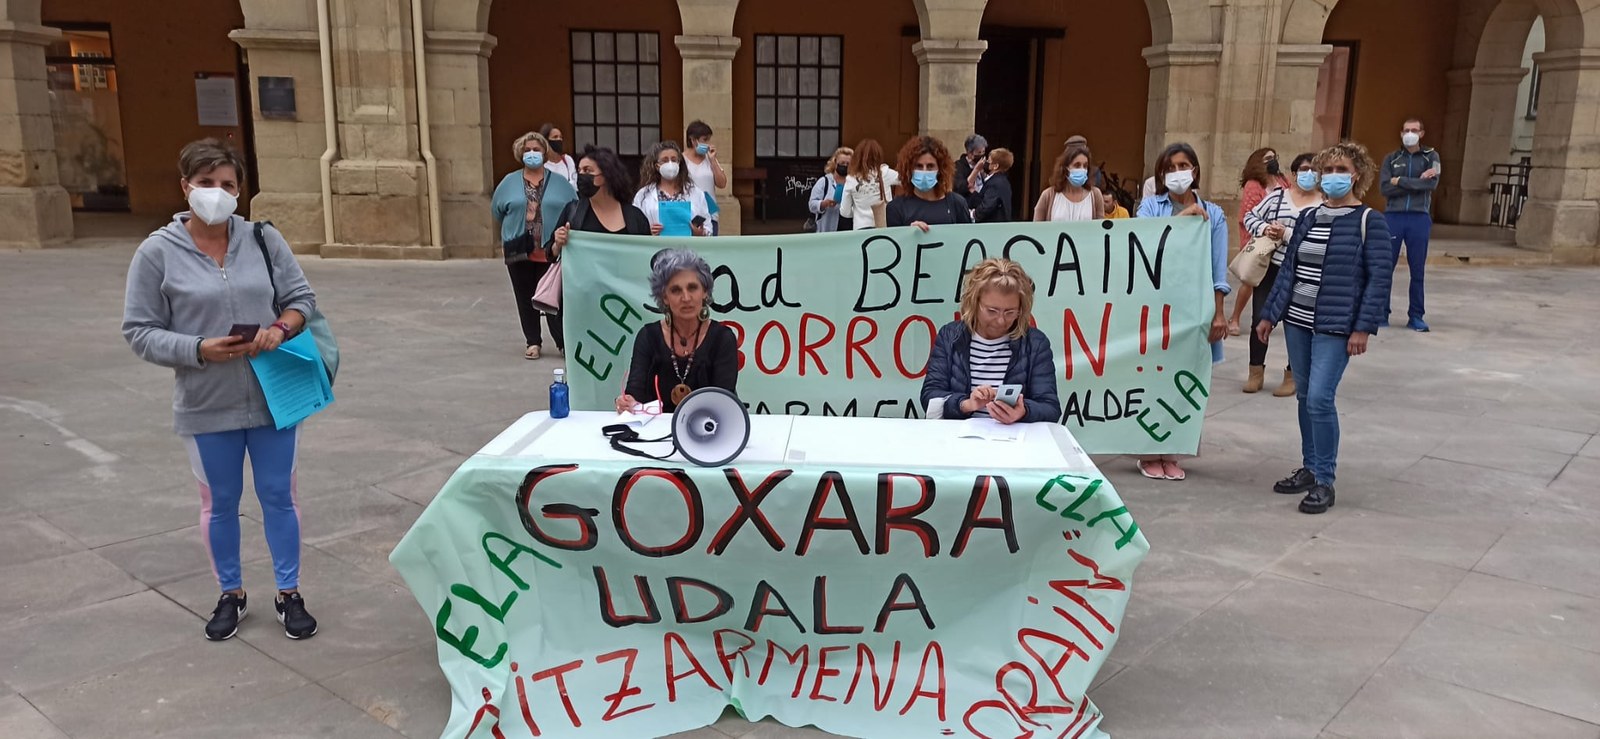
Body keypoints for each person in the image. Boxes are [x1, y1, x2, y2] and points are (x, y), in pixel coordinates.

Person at [122, 138, 320, 641]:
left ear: (240, 190)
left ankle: (289, 592)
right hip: (206, 403)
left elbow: (301, 299)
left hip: (274, 396)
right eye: (206, 183)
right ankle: (230, 593)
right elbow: (139, 330)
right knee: (220, 502)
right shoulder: (157, 253)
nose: (217, 193)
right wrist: (198, 348)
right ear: (185, 186)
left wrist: (282, 328)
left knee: (280, 495)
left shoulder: (262, 239)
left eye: (227, 184)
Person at [1257, 141, 1394, 514]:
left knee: (1320, 397)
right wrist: (1270, 314)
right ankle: (1310, 466)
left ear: (1357, 176)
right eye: (1328, 170)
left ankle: (1325, 480)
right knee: (1304, 397)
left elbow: (1379, 279)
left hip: (1335, 326)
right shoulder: (1308, 218)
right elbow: (1289, 270)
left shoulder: (1369, 221)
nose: (1333, 177)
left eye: (1341, 170)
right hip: (1298, 321)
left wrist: (1363, 327)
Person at [1135, 142, 1230, 481]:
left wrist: (1220, 313)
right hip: (1157, 307)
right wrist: (1181, 219)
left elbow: (1218, 268)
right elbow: (1144, 247)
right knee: (1154, 378)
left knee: (1184, 381)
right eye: (1171, 166)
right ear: (1162, 173)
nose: (1178, 172)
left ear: (1195, 170)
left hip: (1196, 310)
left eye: (1184, 165)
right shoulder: (1150, 207)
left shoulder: (1214, 215)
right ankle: (1148, 451)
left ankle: (1172, 450)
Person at [921, 258, 1061, 425]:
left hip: (1015, 442)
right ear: (974, 302)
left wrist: (1023, 411)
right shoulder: (950, 336)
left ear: (1021, 309)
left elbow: (1051, 408)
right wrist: (966, 404)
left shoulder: (1035, 343)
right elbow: (929, 397)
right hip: (957, 440)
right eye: (992, 311)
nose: (1000, 320)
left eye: (1010, 312)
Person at [1237, 152, 1323, 395]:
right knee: (1259, 319)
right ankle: (1256, 371)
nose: (1308, 174)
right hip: (1272, 267)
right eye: (1304, 170)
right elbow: (1249, 217)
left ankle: (1292, 375)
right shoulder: (1277, 198)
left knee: (1297, 322)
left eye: (1313, 170)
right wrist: (1266, 228)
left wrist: (1287, 233)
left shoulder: (1323, 203)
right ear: (1294, 174)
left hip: (1304, 270)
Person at [615, 249, 738, 413]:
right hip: (653, 432)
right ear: (664, 297)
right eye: (676, 290)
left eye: (692, 288)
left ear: (705, 292)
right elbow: (635, 393)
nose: (686, 298)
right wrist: (626, 403)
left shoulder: (723, 338)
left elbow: (724, 402)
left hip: (708, 430)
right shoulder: (648, 336)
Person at [492, 131, 577, 359]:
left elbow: (573, 208)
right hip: (520, 249)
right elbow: (498, 210)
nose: (532, 154)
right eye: (528, 150)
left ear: (544, 153)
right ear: (521, 153)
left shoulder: (560, 183)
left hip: (551, 251)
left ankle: (562, 342)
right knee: (525, 296)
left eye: (536, 150)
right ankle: (533, 341)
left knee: (553, 297)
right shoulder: (508, 182)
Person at [1380, 118, 1440, 332]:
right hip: (1393, 216)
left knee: (1418, 270)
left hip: (1418, 217)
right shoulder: (1391, 158)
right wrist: (1416, 182)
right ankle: (1381, 313)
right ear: (1400, 132)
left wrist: (1400, 181)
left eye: (1414, 130)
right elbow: (1385, 188)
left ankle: (1416, 315)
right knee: (1385, 267)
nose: (1410, 133)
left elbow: (1431, 184)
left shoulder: (1431, 156)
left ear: (1422, 133)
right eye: (1406, 130)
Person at [1228, 147, 1290, 336]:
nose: (1272, 161)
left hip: (1279, 238)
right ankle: (1236, 317)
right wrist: (1265, 227)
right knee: (1251, 280)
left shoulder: (1283, 181)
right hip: (1257, 236)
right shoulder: (1254, 185)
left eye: (1274, 157)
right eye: (1267, 158)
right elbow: (1248, 213)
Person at [550, 146, 653, 257]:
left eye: (587, 170)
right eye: (579, 171)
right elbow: (551, 253)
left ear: (606, 175)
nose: (581, 176)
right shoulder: (572, 211)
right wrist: (557, 244)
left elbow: (646, 254)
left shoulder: (636, 217)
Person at [887, 135, 974, 230]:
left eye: (930, 166)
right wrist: (907, 233)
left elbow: (966, 239)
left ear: (940, 169)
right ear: (908, 169)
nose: (924, 171)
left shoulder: (957, 204)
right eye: (918, 166)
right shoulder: (896, 208)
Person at [633, 141, 711, 237]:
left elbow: (708, 227)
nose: (670, 163)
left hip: (687, 249)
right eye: (665, 160)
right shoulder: (643, 195)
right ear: (657, 166)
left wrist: (700, 233)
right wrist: (648, 231)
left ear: (679, 163)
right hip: (656, 249)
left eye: (674, 160)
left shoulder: (695, 193)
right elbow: (635, 228)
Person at [1034, 143, 1106, 222]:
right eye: (1077, 165)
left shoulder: (1095, 195)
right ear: (1065, 168)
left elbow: (1100, 230)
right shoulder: (1048, 195)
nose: (1082, 169)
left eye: (1085, 166)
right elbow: (1036, 229)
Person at [839, 138, 898, 230]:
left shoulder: (851, 179)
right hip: (884, 227)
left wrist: (857, 209)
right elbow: (907, 180)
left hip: (861, 228)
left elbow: (844, 212)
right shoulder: (885, 173)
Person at [682, 120, 729, 235]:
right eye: (704, 140)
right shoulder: (681, 160)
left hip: (710, 214)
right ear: (693, 140)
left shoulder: (710, 159)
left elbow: (722, 183)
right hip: (689, 214)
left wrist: (713, 161)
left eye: (709, 139)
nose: (708, 143)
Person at [808, 146, 854, 233]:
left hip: (849, 230)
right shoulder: (824, 182)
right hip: (828, 229)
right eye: (842, 163)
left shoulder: (854, 183)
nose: (845, 166)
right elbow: (812, 205)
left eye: (848, 164)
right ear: (835, 162)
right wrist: (824, 204)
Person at [973, 147, 1016, 223]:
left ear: (995, 166)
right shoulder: (1004, 181)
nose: (985, 163)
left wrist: (973, 214)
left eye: (988, 161)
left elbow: (987, 206)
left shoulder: (995, 183)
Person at [954, 134, 988, 204]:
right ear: (970, 153)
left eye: (983, 152)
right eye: (979, 152)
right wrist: (976, 170)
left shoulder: (984, 164)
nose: (981, 155)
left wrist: (983, 172)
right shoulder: (959, 166)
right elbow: (962, 187)